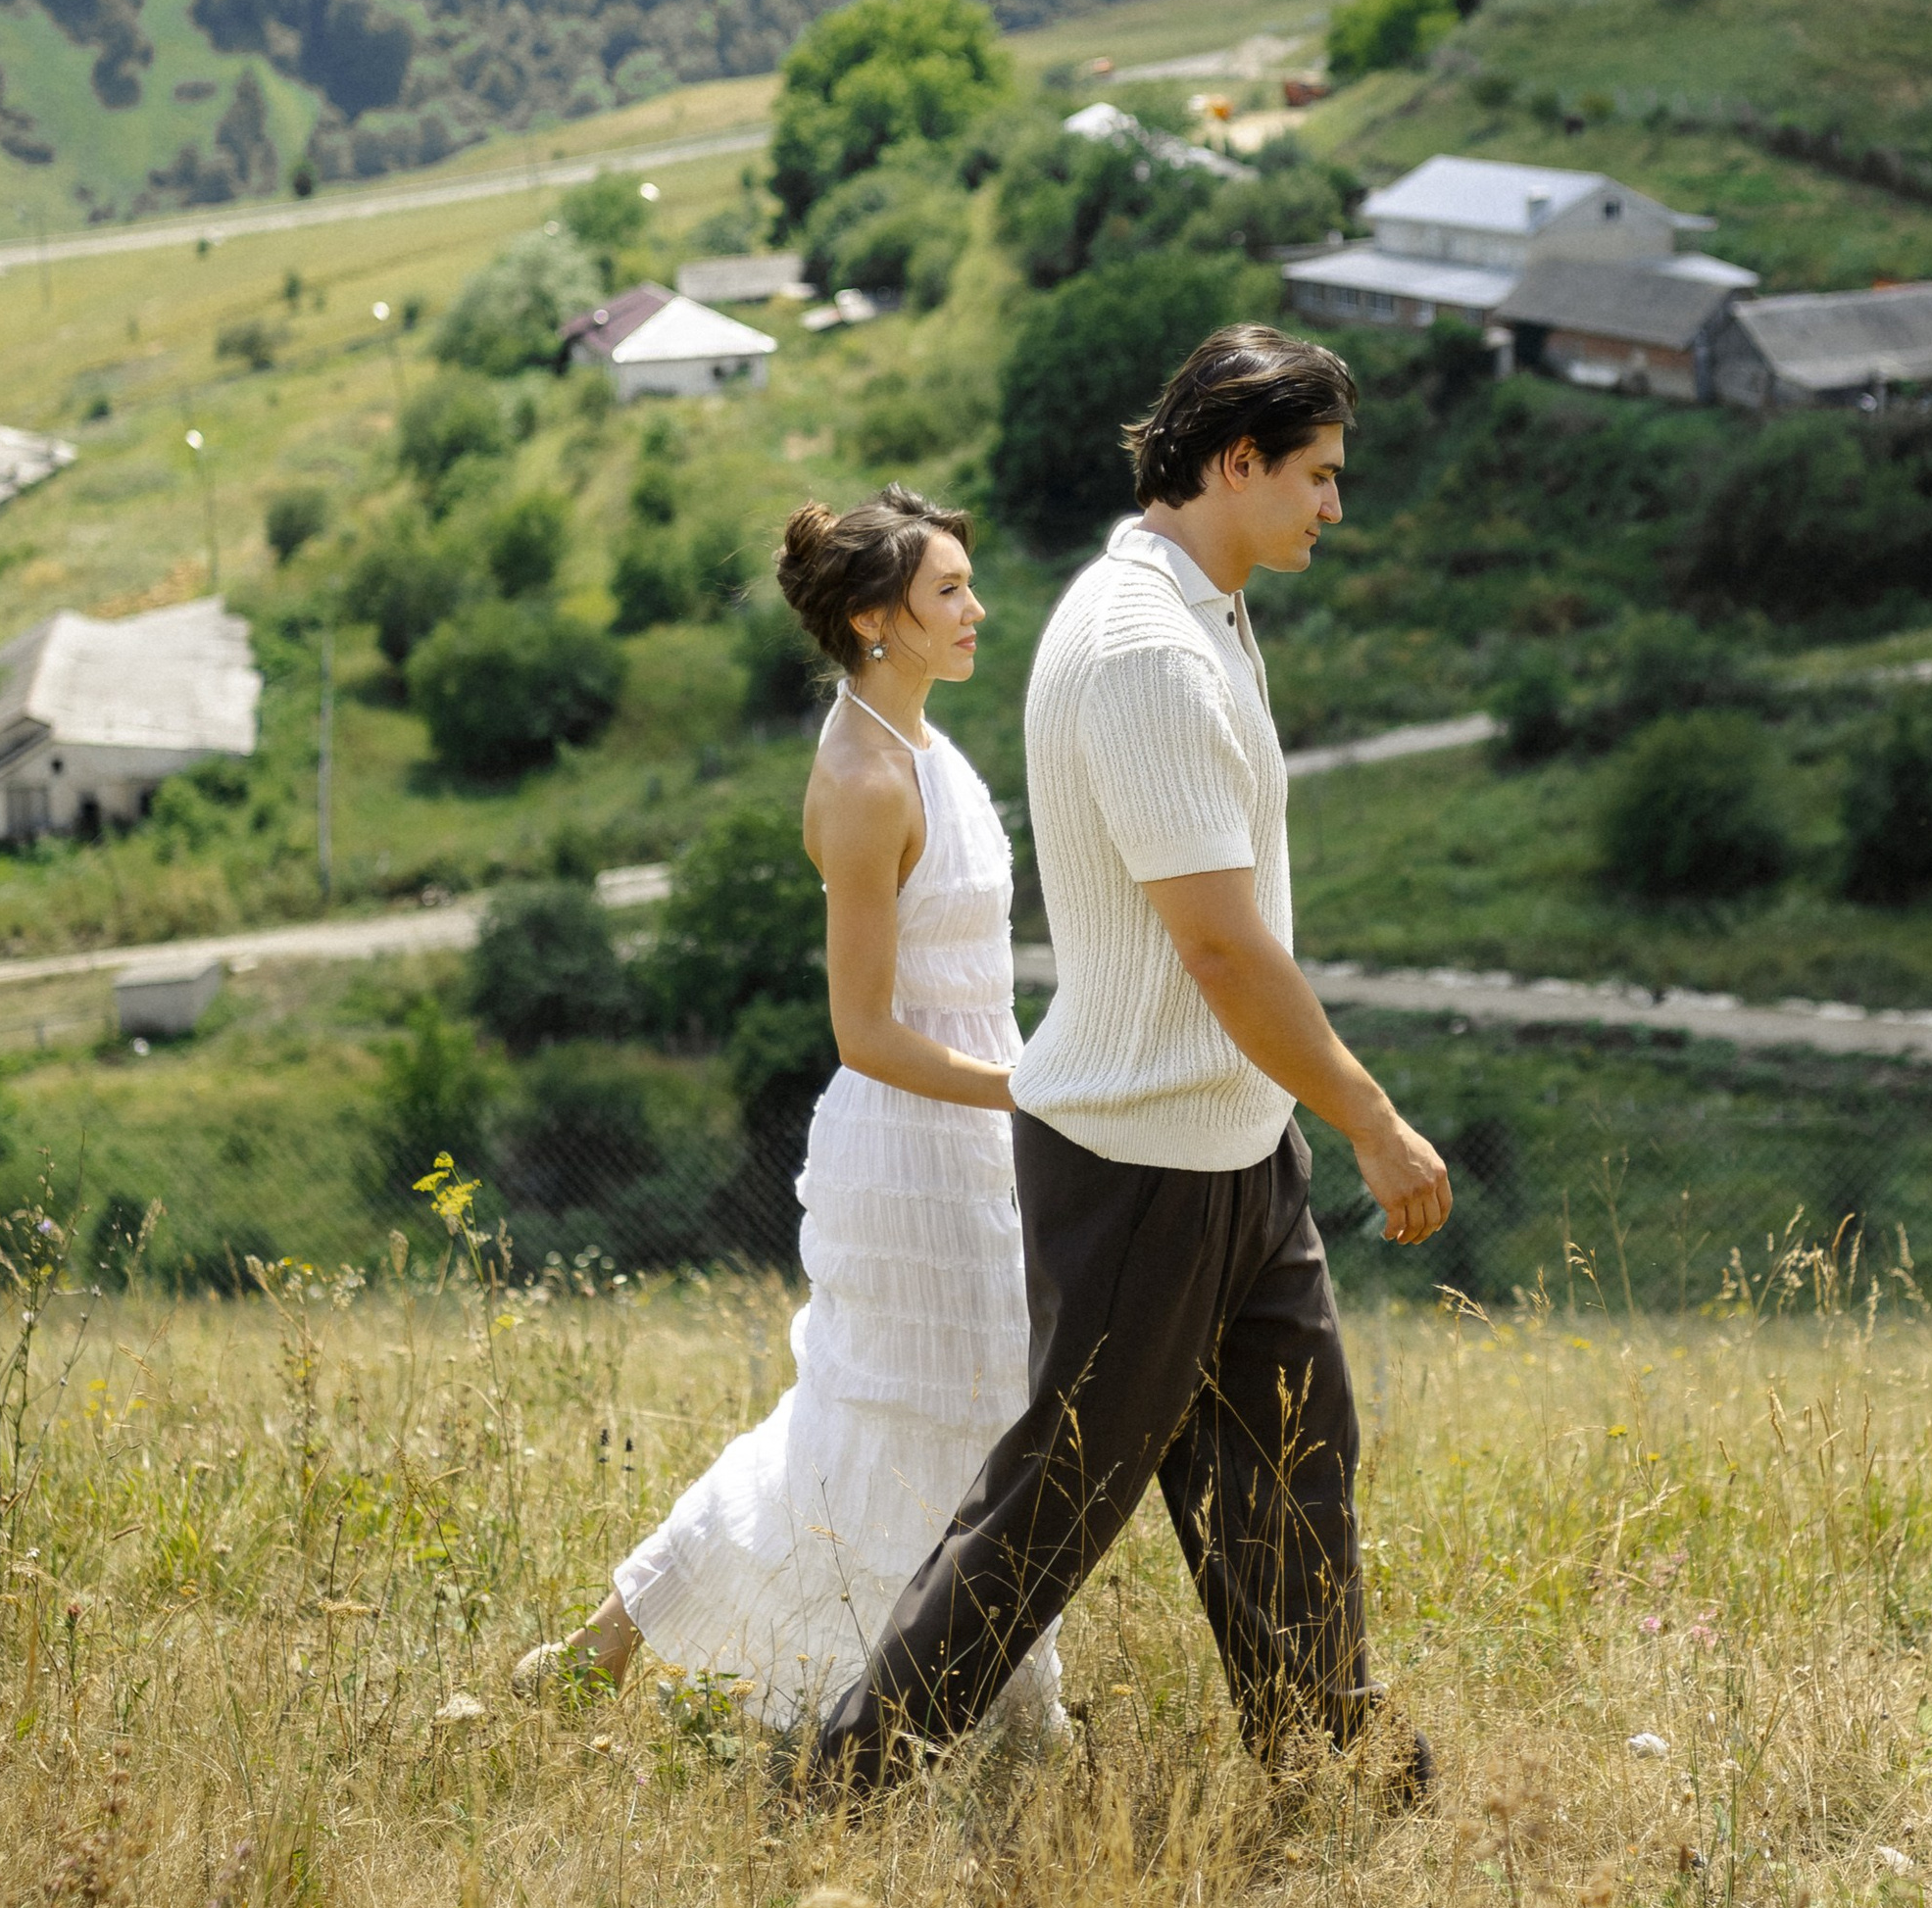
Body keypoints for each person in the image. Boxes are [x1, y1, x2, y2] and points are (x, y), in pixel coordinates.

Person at [809, 324, 1450, 1803]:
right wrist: (1368, 1114)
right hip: (1139, 1156)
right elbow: (1219, 949)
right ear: (1235, 463)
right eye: (1317, 477)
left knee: (1296, 1452)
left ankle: (1325, 1749)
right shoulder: (1145, 648)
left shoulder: (1200, 609)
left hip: (1230, 1141)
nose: (1333, 509)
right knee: (1058, 1506)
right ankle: (841, 1789)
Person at [512, 486, 1061, 1744]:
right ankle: (915, 1709)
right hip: (916, 1153)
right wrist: (1024, 1094)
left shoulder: (925, 739)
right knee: (899, 1429)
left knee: (953, 1421)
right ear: (876, 620)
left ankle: (631, 1647)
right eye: (948, 593)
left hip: (981, 1141)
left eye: (970, 584)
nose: (978, 609)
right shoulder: (866, 778)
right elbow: (863, 1030)